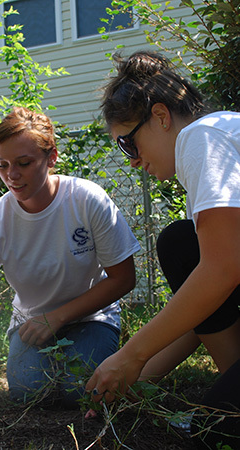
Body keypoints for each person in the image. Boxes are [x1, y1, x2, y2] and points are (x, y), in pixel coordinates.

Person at [0, 106, 140, 407]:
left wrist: (57, 317)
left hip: (93, 316)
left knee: (81, 390)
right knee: (30, 393)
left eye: (24, 163)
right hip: (31, 322)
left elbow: (123, 278)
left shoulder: (87, 200)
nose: (12, 175)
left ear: (52, 158)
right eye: (2, 165)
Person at [85, 51, 240, 449]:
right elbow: (204, 309)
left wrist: (130, 357)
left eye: (127, 144)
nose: (134, 161)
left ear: (160, 116)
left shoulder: (200, 138)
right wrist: (135, 377)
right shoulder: (219, 136)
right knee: (182, 241)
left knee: (218, 431)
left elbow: (222, 271)